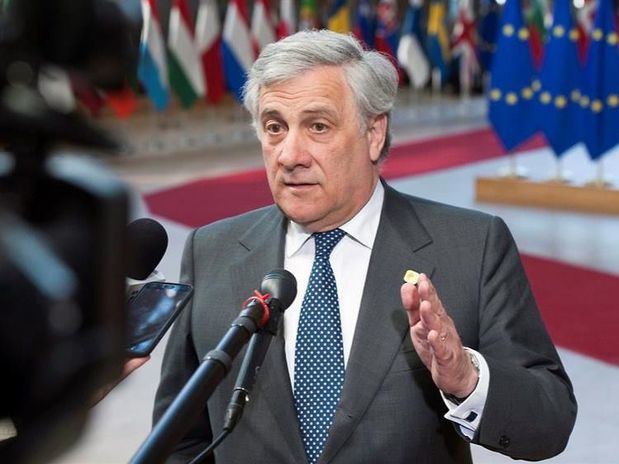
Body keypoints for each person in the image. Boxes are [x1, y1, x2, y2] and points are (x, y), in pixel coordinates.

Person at [154, 30, 576, 464]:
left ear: (374, 133)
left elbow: (550, 420)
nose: (289, 154)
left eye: (318, 126)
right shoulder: (211, 252)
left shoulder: (472, 246)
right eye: (274, 127)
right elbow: (181, 443)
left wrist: (465, 378)